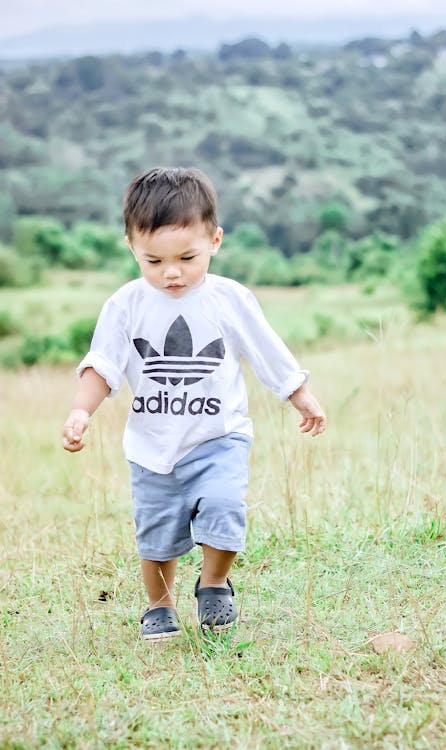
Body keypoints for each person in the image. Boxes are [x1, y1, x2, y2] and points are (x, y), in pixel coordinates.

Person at [62, 166, 326, 642]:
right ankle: (159, 607)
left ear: (215, 240)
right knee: (157, 536)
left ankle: (215, 583)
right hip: (152, 448)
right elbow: (102, 363)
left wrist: (298, 393)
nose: (172, 273)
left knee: (224, 508)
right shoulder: (125, 305)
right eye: (153, 261)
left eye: (187, 257)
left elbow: (266, 348)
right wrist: (83, 410)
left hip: (219, 436)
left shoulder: (228, 298)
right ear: (131, 247)